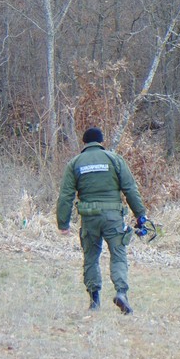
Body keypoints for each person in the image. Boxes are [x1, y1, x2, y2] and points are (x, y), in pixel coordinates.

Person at [56, 127, 147, 314]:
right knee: (118, 255)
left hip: (89, 219)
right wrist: (140, 214)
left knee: (90, 258)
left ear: (85, 142)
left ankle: (94, 300)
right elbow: (130, 189)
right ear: (101, 141)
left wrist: (63, 223)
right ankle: (121, 293)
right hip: (113, 218)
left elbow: (65, 195)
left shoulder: (75, 163)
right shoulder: (114, 159)